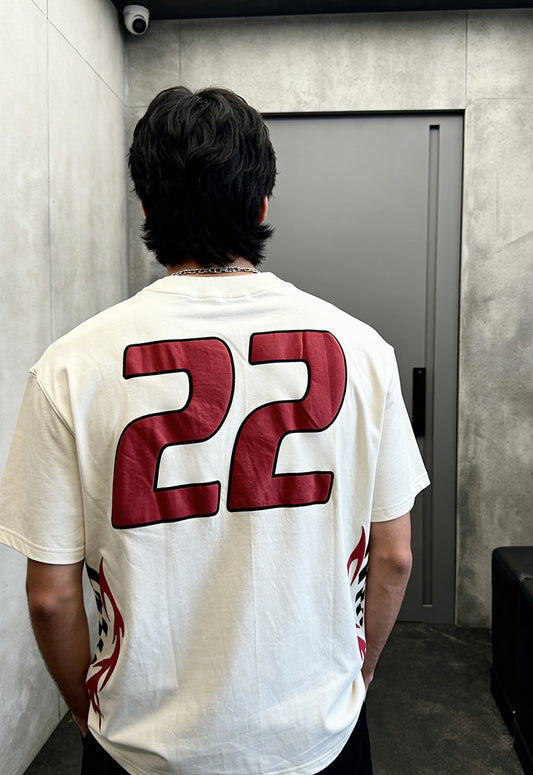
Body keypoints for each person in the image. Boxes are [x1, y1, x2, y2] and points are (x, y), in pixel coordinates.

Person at [0, 86, 429, 775]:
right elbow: (395, 557)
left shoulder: (69, 367)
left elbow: (50, 598)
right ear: (261, 206)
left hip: (142, 748)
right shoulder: (364, 352)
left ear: (147, 207)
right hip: (316, 738)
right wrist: (362, 673)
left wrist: (87, 715)